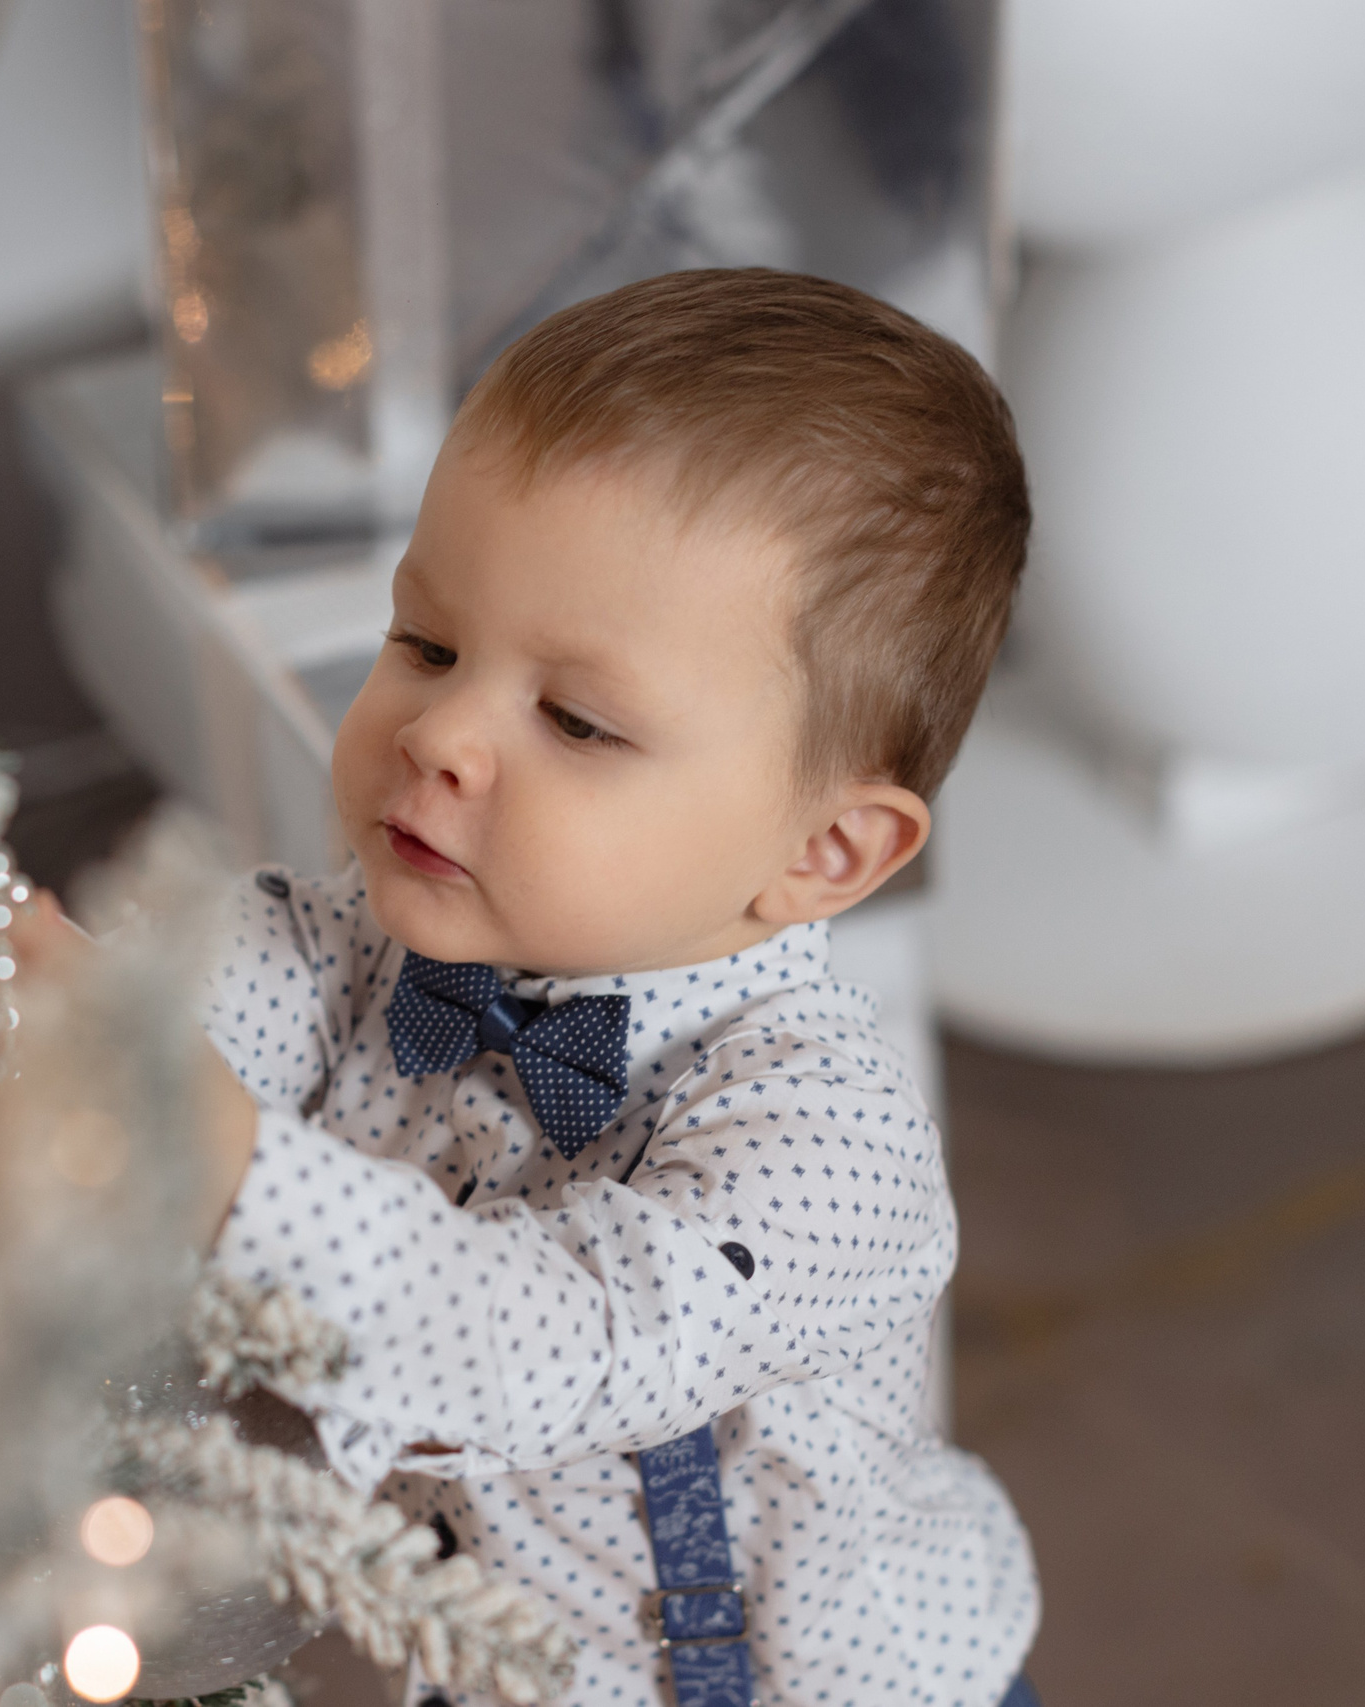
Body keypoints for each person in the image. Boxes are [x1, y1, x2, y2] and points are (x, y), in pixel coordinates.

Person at [184, 269, 1039, 1707]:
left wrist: (223, 1158)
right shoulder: (355, 946)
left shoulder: (833, 1150)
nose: (439, 734)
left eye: (577, 721)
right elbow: (186, 999)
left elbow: (545, 1345)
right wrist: (10, 970)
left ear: (822, 851)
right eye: (425, 644)